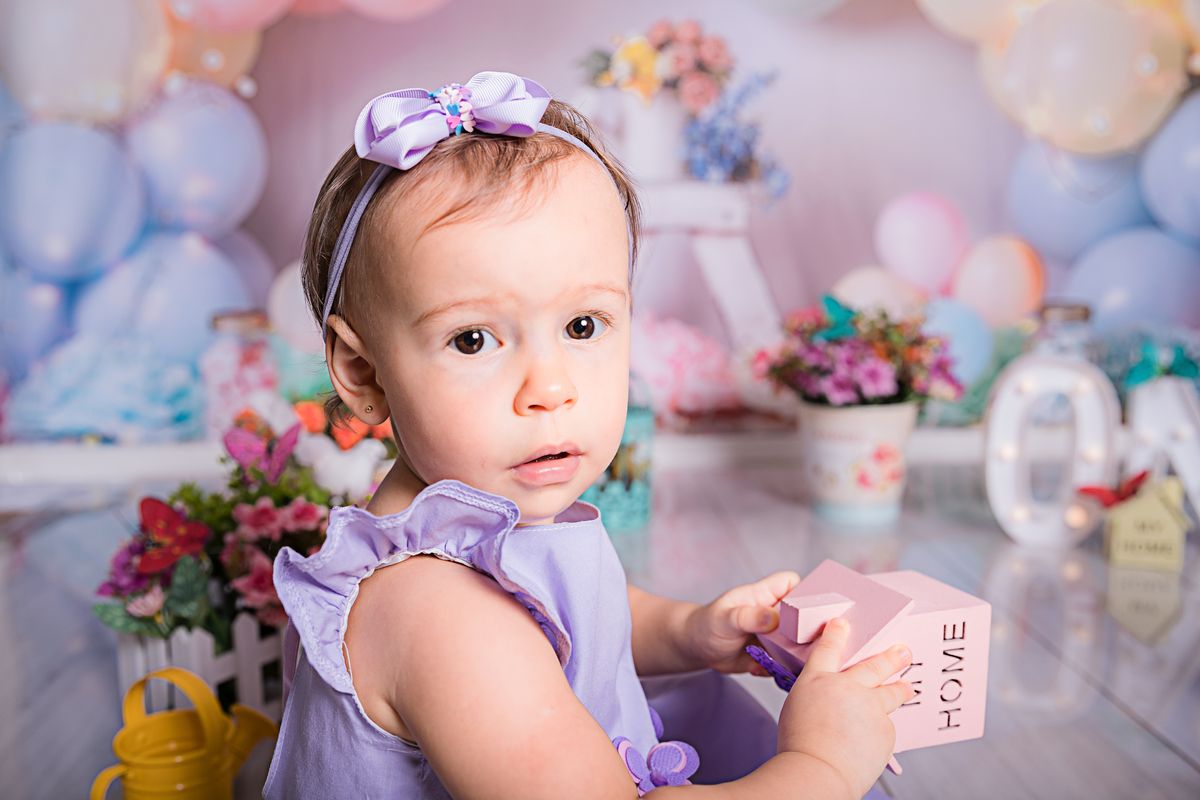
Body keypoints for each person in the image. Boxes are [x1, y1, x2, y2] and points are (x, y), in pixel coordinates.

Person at [265, 71, 913, 800]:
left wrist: (689, 629)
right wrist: (825, 763)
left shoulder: (477, 515)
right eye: (473, 339)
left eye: (582, 326)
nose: (550, 388)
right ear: (365, 372)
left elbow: (584, 610)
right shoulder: (440, 618)